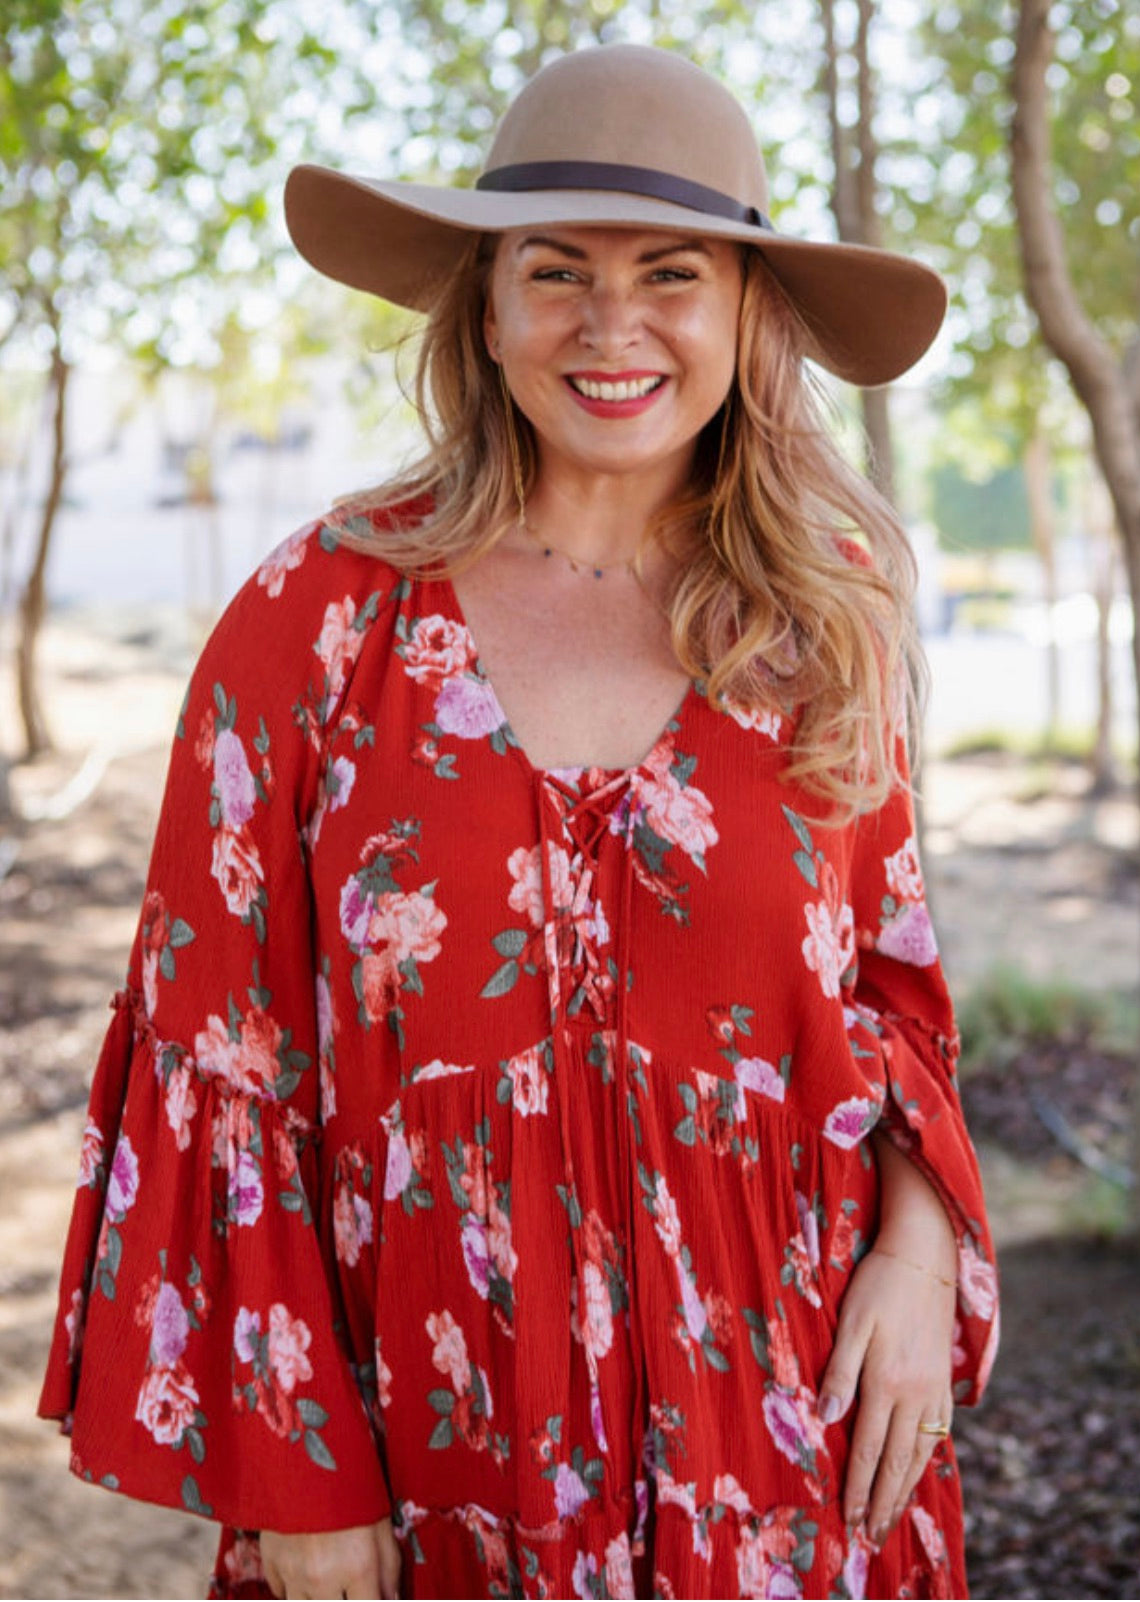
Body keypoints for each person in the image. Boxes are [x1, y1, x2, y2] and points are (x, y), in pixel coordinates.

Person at [40, 42, 998, 1602]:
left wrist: (912, 1249)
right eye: (555, 270)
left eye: (670, 272)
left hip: (779, 1460)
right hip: (428, 1469)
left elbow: (886, 1002)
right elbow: (217, 1061)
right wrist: (298, 1465)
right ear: (484, 309)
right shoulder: (316, 621)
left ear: (743, 313)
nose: (610, 325)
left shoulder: (821, 626)